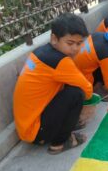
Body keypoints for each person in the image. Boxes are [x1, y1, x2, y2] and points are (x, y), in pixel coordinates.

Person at [13, 13, 94, 155]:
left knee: (70, 86)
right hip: (36, 133)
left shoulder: (41, 51)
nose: (75, 49)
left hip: (27, 126)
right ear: (54, 39)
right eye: (70, 43)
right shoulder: (61, 61)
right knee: (76, 93)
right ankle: (59, 143)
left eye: (79, 43)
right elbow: (87, 88)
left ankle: (62, 127)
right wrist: (86, 102)